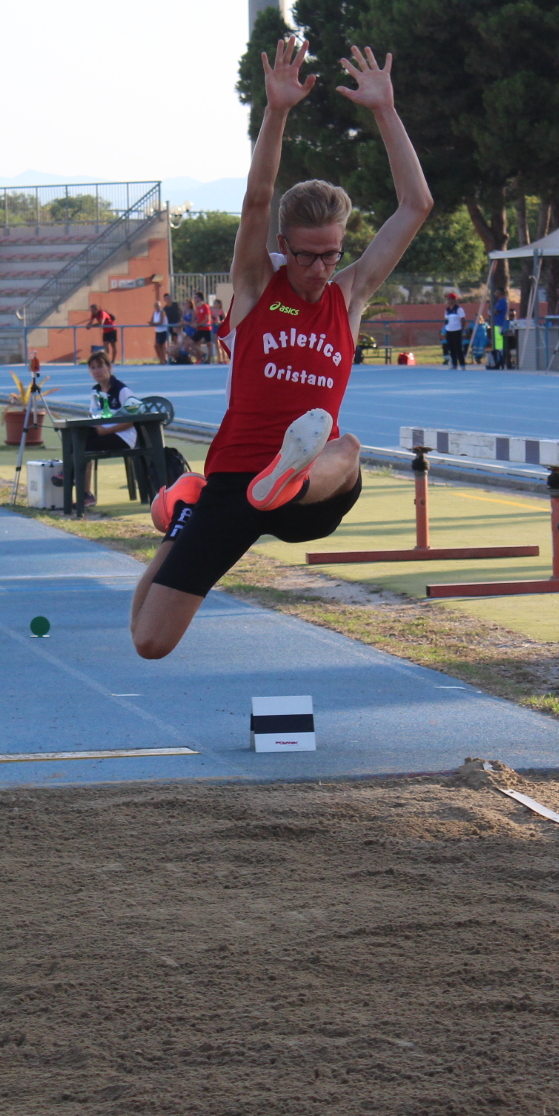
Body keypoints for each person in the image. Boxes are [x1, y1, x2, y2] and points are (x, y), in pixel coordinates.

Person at [131, 38, 431, 660]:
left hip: (307, 489)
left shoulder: (348, 295)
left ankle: (288, 477)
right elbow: (257, 201)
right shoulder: (254, 287)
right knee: (149, 639)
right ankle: (186, 516)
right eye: (305, 255)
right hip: (236, 478)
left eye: (331, 254)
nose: (319, 268)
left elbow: (416, 205)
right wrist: (276, 111)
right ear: (283, 247)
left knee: (346, 448)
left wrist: (385, 109)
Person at [55, 350, 141, 508]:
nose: (97, 371)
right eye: (93, 368)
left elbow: (134, 419)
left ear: (109, 367)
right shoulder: (95, 391)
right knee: (77, 438)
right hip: (102, 433)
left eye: (100, 366)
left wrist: (107, 430)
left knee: (83, 446)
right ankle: (82, 491)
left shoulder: (122, 390)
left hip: (122, 437)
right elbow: (94, 415)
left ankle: (71, 476)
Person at [442, 292, 468, 368]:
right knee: (451, 347)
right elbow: (446, 320)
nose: (448, 301)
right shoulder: (447, 310)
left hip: (457, 330)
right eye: (447, 299)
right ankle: (454, 364)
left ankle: (462, 364)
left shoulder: (459, 309)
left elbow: (463, 320)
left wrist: (461, 329)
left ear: (453, 300)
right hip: (449, 330)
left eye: (449, 299)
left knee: (458, 348)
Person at [191, 290, 216, 363]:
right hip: (200, 328)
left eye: (196, 297)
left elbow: (207, 318)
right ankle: (202, 355)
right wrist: (194, 323)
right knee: (191, 342)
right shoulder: (197, 308)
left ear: (199, 298)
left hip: (206, 328)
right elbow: (197, 318)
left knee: (209, 344)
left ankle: (209, 360)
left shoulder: (205, 306)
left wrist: (198, 324)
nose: (194, 299)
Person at [150, 298, 169, 363]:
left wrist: (154, 323)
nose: (157, 307)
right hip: (157, 331)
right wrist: (151, 323)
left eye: (158, 306)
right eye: (156, 306)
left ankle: (164, 360)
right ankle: (161, 359)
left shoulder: (162, 312)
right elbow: (152, 321)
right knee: (158, 346)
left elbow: (161, 322)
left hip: (163, 330)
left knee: (160, 345)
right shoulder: (154, 313)